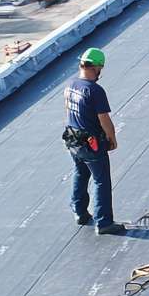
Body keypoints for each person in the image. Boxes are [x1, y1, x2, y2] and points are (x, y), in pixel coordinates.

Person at [62, 47, 125, 235]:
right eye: (100, 68)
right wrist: (112, 138)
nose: (100, 72)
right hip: (91, 144)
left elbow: (68, 110)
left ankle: (79, 211)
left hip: (73, 140)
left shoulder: (70, 85)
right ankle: (104, 222)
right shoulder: (94, 90)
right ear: (95, 66)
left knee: (80, 172)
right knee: (101, 180)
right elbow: (104, 119)